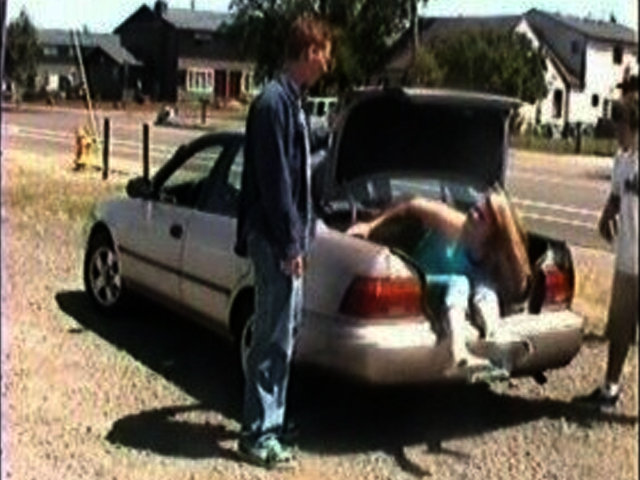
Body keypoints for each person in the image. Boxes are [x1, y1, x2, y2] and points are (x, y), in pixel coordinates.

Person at [234, 15, 332, 469]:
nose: (327, 63)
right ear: (309, 51)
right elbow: (275, 186)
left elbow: (304, 167)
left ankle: (270, 419)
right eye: (324, 53)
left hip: (288, 241)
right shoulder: (273, 104)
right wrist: (291, 246)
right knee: (273, 337)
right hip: (276, 242)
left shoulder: (294, 103)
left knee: (285, 333)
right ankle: (258, 434)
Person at [346, 187, 532, 373]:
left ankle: (494, 337)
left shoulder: (492, 255)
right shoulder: (451, 223)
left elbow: (518, 284)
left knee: (486, 288)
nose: (474, 213)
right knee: (460, 283)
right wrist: (370, 226)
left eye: (482, 215)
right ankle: (456, 351)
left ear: (493, 230)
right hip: (417, 283)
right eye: (476, 208)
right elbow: (410, 204)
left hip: (450, 299)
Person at [575, 75, 638, 412]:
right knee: (619, 330)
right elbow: (616, 196)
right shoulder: (622, 161)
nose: (616, 130)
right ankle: (609, 389)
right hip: (627, 262)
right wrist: (605, 216)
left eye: (621, 122)